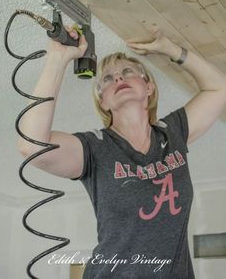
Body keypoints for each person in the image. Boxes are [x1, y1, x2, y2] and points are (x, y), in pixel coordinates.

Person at [18, 25, 226, 279]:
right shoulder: (95, 147)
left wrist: (170, 49)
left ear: (148, 88)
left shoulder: (173, 133)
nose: (118, 78)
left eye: (127, 72)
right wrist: (57, 59)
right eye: (107, 78)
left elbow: (219, 87)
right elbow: (32, 145)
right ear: (103, 101)